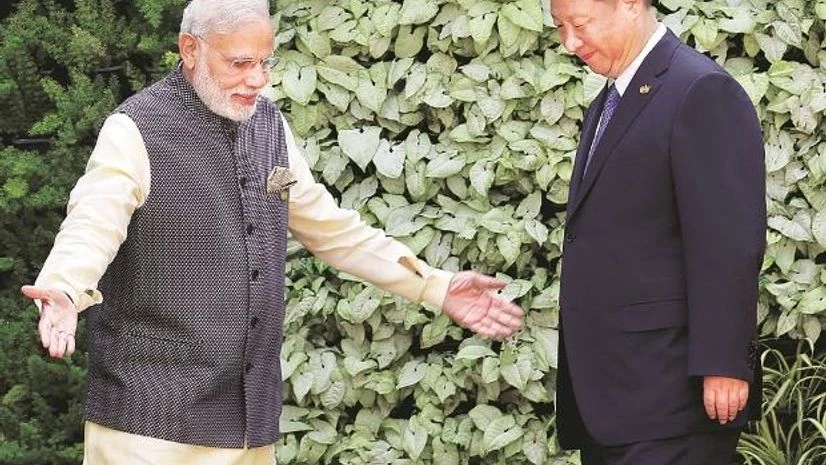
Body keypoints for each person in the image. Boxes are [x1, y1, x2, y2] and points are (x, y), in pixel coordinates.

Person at [20, 0, 524, 463]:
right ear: (190, 50)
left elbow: (333, 231)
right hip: (147, 427)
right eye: (240, 63)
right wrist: (65, 286)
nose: (257, 79)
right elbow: (94, 220)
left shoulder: (270, 125)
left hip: (248, 426)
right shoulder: (135, 128)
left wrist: (435, 286)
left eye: (266, 62)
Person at [549, 0, 765, 463]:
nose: (569, 42)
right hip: (614, 400)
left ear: (631, 4)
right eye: (559, 26)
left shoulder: (700, 89)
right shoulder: (611, 100)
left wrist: (725, 363)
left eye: (580, 24)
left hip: (671, 398)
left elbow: (728, 242)